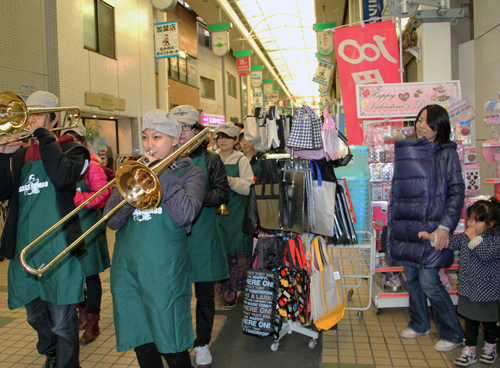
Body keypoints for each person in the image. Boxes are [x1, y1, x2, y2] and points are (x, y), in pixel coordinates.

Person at [104, 109, 205, 368]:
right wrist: (133, 187)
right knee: (142, 340)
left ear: (174, 140)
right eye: (146, 137)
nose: (149, 144)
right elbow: (112, 221)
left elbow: (185, 215)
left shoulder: (190, 174)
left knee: (171, 341)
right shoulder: (131, 173)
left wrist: (160, 173)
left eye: (157, 137)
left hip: (165, 273)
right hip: (128, 270)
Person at [0, 91, 90, 368]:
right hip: (24, 247)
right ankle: (51, 350)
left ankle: (65, 364)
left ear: (54, 118)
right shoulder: (19, 156)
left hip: (59, 248)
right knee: (33, 314)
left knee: (63, 321)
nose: (30, 119)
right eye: (29, 113)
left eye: (39, 114)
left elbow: (63, 177)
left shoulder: (74, 150)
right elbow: (2, 192)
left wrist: (43, 135)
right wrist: (3, 155)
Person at [387, 104, 465, 352]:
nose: (421, 125)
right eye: (419, 120)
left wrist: (445, 227)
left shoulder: (447, 154)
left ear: (439, 127)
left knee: (430, 281)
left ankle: (453, 333)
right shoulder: (410, 150)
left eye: (427, 122)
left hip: (433, 228)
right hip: (408, 226)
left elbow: (456, 192)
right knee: (411, 279)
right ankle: (420, 323)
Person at [170, 105, 230, 367]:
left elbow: (222, 193)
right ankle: (177, 341)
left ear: (197, 130)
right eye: (177, 126)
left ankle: (202, 343)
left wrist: (192, 199)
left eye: (185, 127)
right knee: (175, 293)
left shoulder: (210, 159)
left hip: (203, 234)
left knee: (204, 294)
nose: (181, 132)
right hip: (172, 237)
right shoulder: (166, 158)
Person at [419, 198, 500, 366]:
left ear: (491, 224)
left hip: (487, 291)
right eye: (470, 219)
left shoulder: (494, 240)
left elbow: (486, 255)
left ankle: (490, 346)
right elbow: (450, 242)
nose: (472, 224)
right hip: (469, 290)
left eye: (477, 221)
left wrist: (473, 239)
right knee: (470, 321)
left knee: (489, 322)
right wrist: (433, 237)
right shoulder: (466, 236)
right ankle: (469, 349)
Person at [61, 123, 111, 345]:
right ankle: (82, 309)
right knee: (72, 272)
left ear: (81, 141)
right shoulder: (60, 165)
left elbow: (102, 195)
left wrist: (73, 200)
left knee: (90, 274)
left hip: (88, 224)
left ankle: (93, 320)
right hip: (68, 225)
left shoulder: (92, 164)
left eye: (74, 140)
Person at [213, 123, 254, 307]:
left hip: (236, 214)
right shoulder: (211, 158)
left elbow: (249, 187)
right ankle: (217, 288)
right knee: (217, 249)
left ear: (236, 140)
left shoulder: (241, 160)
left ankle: (232, 290)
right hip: (213, 214)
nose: (223, 140)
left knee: (235, 249)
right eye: (220, 136)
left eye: (227, 137)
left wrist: (230, 180)